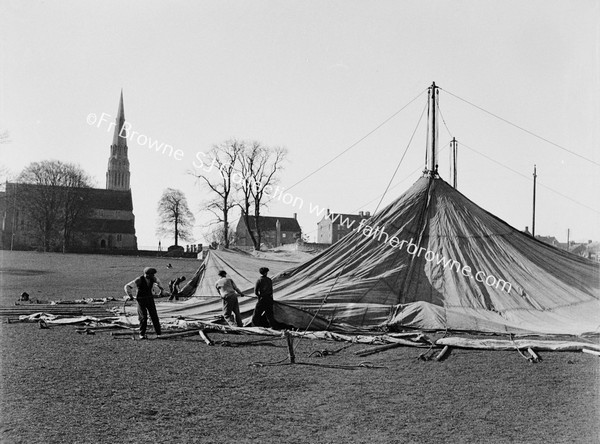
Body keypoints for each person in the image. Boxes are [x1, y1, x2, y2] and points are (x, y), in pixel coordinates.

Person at [124, 267, 163, 339]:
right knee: (143, 317)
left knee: (154, 315)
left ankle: (159, 333)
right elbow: (127, 286)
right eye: (152, 274)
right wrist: (130, 296)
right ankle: (142, 334)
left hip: (150, 299)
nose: (153, 276)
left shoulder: (153, 279)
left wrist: (161, 290)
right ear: (147, 274)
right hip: (141, 300)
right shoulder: (139, 279)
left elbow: (159, 282)